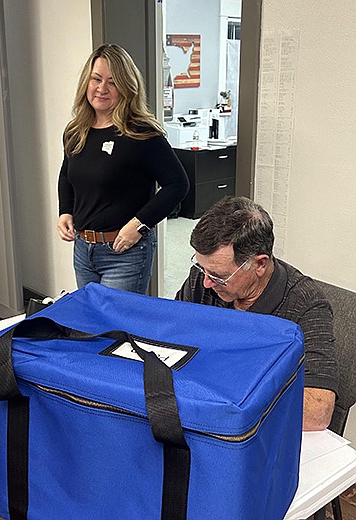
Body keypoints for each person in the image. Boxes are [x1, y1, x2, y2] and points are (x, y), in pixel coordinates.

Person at [176, 196, 338, 431]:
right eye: (203, 268)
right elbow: (171, 341)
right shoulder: (204, 279)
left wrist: (223, 387)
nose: (207, 283)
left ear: (260, 264)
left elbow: (317, 412)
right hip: (200, 418)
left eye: (219, 275)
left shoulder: (306, 305)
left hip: (255, 433)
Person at [57, 43, 189, 294]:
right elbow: (66, 174)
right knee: (91, 326)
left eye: (113, 82)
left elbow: (177, 184)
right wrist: (65, 211)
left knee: (117, 328)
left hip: (124, 253)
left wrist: (140, 225)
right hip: (83, 249)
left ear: (127, 88)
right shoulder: (76, 131)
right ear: (87, 81)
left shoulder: (141, 134)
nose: (102, 88)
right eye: (96, 79)